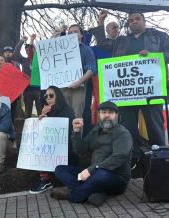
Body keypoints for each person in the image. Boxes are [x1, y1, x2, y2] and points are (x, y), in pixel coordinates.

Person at [90, 10, 169, 169]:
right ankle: (134, 157)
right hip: (126, 94)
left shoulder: (158, 36)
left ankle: (160, 158)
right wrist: (100, 22)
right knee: (128, 128)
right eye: (131, 20)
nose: (133, 22)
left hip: (151, 91)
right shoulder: (121, 41)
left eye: (137, 19)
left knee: (154, 126)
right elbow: (103, 44)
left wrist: (154, 54)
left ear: (144, 21)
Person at [51, 101, 133, 206]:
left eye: (110, 112)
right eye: (103, 112)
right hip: (93, 174)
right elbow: (81, 150)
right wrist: (76, 132)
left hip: (116, 178)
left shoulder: (122, 133)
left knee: (101, 174)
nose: (107, 115)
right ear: (99, 114)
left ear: (116, 115)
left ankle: (75, 195)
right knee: (60, 169)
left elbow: (119, 157)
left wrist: (91, 170)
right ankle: (96, 191)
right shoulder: (96, 130)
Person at [30, 86, 78, 194]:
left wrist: (49, 120)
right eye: (46, 96)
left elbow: (63, 131)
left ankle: (46, 179)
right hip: (54, 148)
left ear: (59, 96)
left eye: (51, 95)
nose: (48, 98)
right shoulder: (48, 110)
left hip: (67, 149)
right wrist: (42, 116)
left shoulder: (67, 110)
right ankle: (45, 179)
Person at [61, 25, 97, 119]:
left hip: (78, 88)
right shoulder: (60, 50)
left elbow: (92, 69)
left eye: (75, 32)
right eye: (70, 32)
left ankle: (76, 134)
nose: (72, 34)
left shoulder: (87, 50)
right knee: (62, 115)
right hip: (62, 88)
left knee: (76, 116)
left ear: (81, 35)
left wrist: (79, 82)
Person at [13, 34, 41, 118]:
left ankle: (42, 129)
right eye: (27, 50)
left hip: (39, 89)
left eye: (30, 50)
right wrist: (22, 41)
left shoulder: (39, 59)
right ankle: (27, 129)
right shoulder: (24, 60)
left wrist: (32, 41)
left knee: (41, 111)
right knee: (28, 113)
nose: (28, 51)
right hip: (27, 89)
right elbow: (16, 53)